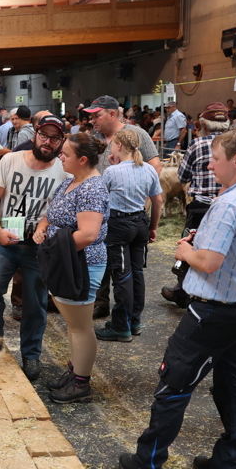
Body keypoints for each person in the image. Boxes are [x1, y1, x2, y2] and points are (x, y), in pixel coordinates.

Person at [118, 127, 236, 469]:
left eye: (217, 158)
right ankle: (228, 466)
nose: (210, 164)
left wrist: (185, 252)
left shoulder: (228, 204)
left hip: (214, 312)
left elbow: (208, 262)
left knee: (174, 383)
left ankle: (148, 463)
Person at [0, 116, 69, 381]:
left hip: (39, 247)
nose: (47, 141)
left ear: (61, 142)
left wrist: (44, 227)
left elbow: (60, 209)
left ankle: (31, 353)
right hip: (5, 241)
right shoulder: (10, 161)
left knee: (35, 301)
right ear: (35, 135)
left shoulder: (64, 172)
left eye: (54, 138)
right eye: (44, 135)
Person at [33, 133, 109, 404]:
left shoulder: (92, 188)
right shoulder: (69, 182)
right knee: (74, 325)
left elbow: (88, 233)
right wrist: (43, 228)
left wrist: (53, 250)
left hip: (81, 263)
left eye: (65, 153)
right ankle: (76, 371)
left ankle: (81, 383)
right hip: (67, 260)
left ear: (83, 159)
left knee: (80, 326)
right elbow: (51, 213)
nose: (59, 156)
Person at [86, 95, 162, 318]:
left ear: (112, 114)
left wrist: (139, 198)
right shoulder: (94, 137)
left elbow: (155, 165)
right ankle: (101, 303)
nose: (92, 120)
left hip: (123, 213)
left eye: (96, 115)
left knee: (121, 268)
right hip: (102, 210)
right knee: (100, 255)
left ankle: (124, 319)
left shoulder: (137, 134)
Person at [162, 102, 232, 308]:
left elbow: (182, 176)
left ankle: (183, 292)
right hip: (228, 206)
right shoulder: (235, 145)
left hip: (201, 206)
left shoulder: (197, 145)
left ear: (204, 124)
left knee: (191, 248)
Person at [95, 128, 163, 342]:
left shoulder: (112, 172)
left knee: (122, 275)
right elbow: (158, 201)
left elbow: (101, 200)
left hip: (119, 225)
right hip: (141, 222)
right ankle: (135, 321)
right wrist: (153, 227)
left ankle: (120, 326)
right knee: (137, 273)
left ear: (119, 146)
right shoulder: (149, 170)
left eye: (113, 145)